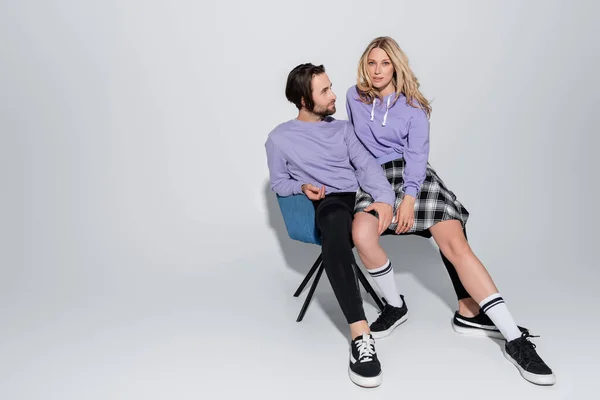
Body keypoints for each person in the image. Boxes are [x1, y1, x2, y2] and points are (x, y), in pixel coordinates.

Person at [345, 36, 555, 386]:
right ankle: (395, 306)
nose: (377, 70)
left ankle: (514, 340)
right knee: (361, 233)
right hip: (373, 179)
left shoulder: (414, 108)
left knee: (456, 244)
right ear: (364, 66)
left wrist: (410, 196)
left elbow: (417, 156)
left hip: (413, 177)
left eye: (384, 62)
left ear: (396, 65)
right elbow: (352, 145)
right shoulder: (354, 97)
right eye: (371, 63)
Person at [265, 63, 400, 388]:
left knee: (338, 220)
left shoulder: (341, 129)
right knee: (333, 220)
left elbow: (366, 167)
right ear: (303, 99)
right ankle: (360, 335)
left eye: (330, 87)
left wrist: (384, 199)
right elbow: (279, 182)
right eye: (324, 91)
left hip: (354, 195)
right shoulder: (279, 139)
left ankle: (389, 308)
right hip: (327, 202)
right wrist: (302, 187)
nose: (333, 95)